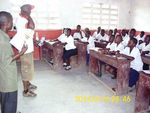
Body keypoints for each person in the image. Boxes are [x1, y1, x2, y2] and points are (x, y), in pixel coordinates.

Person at [0, 11, 27, 113]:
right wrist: (21, 53)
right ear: (6, 23)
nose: (13, 23)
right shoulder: (2, 39)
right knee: (9, 103)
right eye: (11, 21)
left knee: (5, 103)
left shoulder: (3, 35)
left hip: (3, 77)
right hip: (7, 80)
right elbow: (5, 61)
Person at [11, 4, 37, 97]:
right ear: (26, 12)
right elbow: (32, 26)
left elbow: (28, 33)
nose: (31, 12)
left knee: (28, 68)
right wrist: (28, 16)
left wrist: (33, 40)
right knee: (26, 69)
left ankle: (28, 84)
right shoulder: (22, 20)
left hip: (27, 48)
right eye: (29, 10)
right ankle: (26, 91)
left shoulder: (22, 18)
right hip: (25, 49)